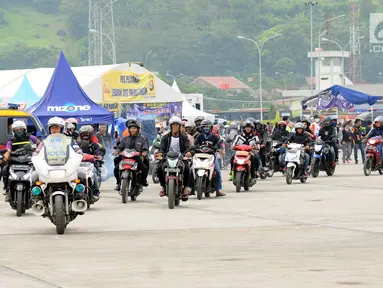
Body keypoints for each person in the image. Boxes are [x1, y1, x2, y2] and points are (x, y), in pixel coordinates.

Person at [2, 121, 41, 201]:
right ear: (13, 131)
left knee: (39, 171)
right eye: (17, 129)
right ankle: (7, 189)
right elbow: (8, 150)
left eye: (21, 129)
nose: (19, 131)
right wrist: (6, 155)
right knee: (4, 169)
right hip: (15, 160)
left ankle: (37, 191)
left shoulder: (30, 137)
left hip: (28, 159)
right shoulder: (11, 140)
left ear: (24, 130)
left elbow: (39, 143)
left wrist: (37, 151)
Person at [157, 116, 192, 200]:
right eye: (173, 125)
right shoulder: (165, 137)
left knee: (187, 168)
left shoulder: (184, 137)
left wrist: (188, 153)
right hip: (167, 157)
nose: (175, 126)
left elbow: (188, 147)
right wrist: (160, 153)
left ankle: (185, 188)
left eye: (177, 125)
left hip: (180, 158)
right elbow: (162, 147)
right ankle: (163, 187)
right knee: (159, 168)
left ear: (179, 126)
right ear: (171, 126)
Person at [113, 120, 149, 191]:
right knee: (116, 167)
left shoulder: (143, 139)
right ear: (129, 129)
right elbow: (120, 147)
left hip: (137, 158)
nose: (133, 130)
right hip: (125, 157)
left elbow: (145, 147)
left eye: (134, 128)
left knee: (145, 166)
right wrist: (117, 151)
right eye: (131, 128)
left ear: (138, 129)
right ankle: (119, 183)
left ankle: (143, 182)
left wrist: (144, 152)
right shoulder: (125, 139)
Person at [194, 120, 226, 197]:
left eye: (208, 127)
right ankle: (191, 188)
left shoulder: (214, 136)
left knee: (217, 171)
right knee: (191, 168)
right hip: (200, 155)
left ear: (211, 127)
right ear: (201, 128)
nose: (206, 128)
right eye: (204, 127)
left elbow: (220, 144)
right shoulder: (199, 136)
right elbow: (195, 144)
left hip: (211, 156)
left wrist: (219, 149)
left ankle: (218, 190)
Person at [78, 125, 105, 199]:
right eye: (83, 134)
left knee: (93, 173)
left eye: (87, 134)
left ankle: (96, 191)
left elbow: (99, 150)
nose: (85, 136)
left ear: (91, 135)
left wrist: (99, 155)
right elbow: (72, 151)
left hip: (91, 165)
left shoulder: (94, 144)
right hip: (79, 165)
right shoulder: (77, 144)